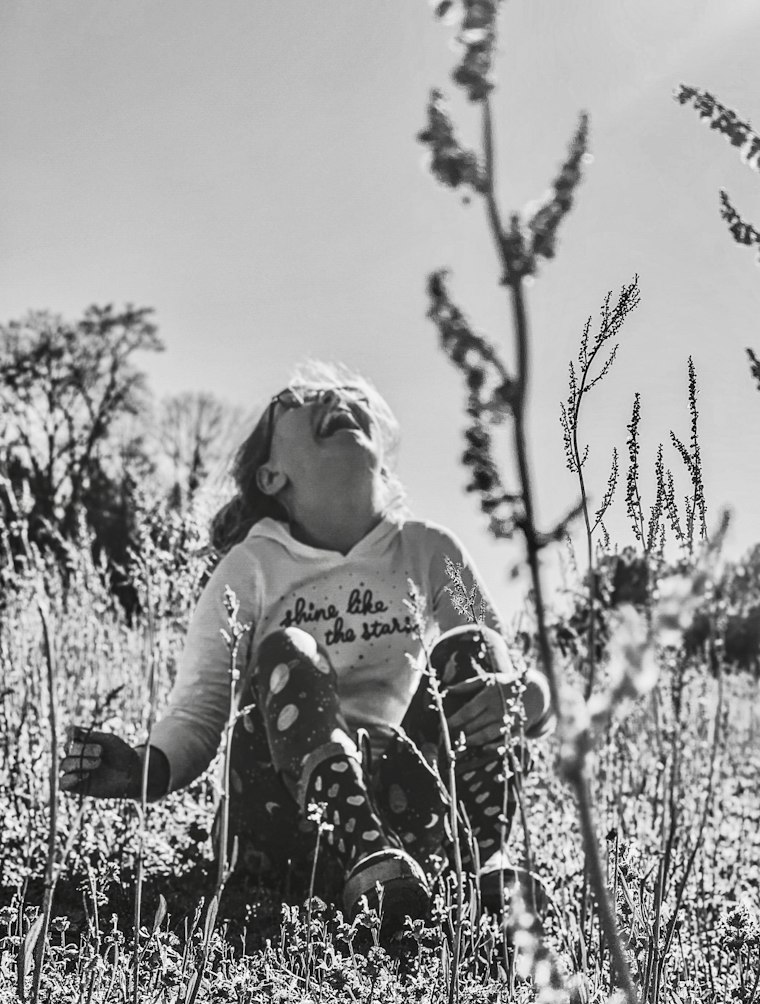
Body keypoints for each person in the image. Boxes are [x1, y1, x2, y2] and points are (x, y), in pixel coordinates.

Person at [59, 360, 552, 928]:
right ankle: (367, 854)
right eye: (300, 398)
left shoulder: (433, 551)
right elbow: (199, 711)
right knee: (286, 649)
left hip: (411, 807)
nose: (332, 397)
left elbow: (501, 667)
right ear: (271, 476)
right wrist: (148, 767)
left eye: (346, 393)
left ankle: (478, 861)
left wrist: (527, 699)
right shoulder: (250, 568)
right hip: (287, 824)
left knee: (472, 650)